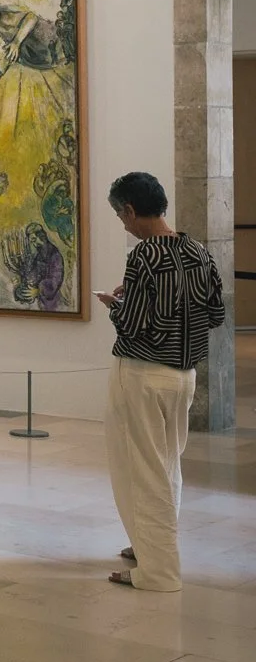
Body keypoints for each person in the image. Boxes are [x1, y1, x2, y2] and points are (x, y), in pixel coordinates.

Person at [96, 171, 225, 591]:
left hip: (142, 374)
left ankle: (159, 572)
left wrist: (115, 305)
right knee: (167, 466)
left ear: (130, 210)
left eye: (121, 216)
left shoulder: (144, 255)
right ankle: (149, 548)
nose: (124, 225)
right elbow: (216, 315)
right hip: (183, 377)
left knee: (141, 470)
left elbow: (133, 327)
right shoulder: (198, 250)